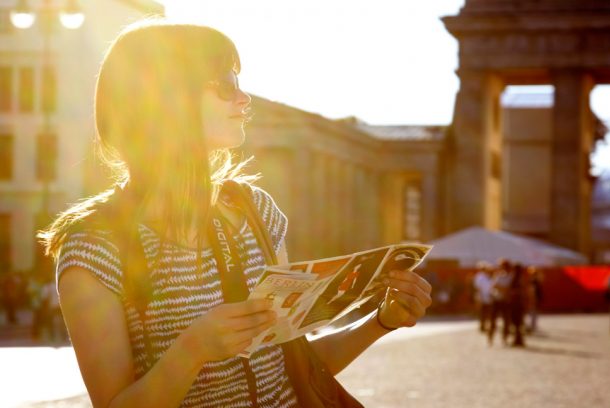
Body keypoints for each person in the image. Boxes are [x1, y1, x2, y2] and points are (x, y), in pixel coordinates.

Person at [38, 20, 432, 408]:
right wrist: (192, 351)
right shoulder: (93, 245)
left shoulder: (254, 210)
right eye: (225, 87)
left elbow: (295, 367)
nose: (244, 100)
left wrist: (381, 320)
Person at [487, 259, 513, 345]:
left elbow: (508, 289)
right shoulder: (498, 275)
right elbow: (493, 287)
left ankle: (504, 338)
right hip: (497, 300)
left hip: (505, 301)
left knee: (506, 321)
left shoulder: (510, 276)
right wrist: (502, 288)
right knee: (493, 320)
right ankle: (490, 337)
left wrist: (500, 287)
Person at [472, 261, 494, 334]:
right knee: (482, 312)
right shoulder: (479, 277)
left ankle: (486, 325)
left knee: (487, 312)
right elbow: (478, 288)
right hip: (482, 297)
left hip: (487, 297)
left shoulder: (487, 276)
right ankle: (482, 326)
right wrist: (480, 297)